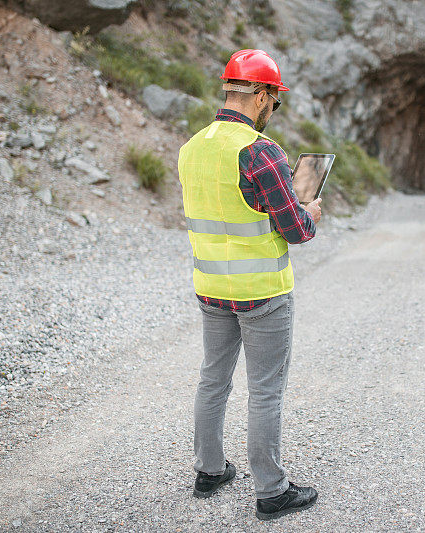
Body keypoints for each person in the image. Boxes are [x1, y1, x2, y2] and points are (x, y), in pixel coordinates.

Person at [177, 49, 322, 521]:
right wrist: (311, 212)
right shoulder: (261, 152)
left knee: (212, 379)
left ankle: (209, 470)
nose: (271, 111)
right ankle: (271, 491)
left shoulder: (192, 147)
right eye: (273, 102)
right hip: (262, 294)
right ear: (260, 94)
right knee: (264, 390)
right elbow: (294, 228)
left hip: (211, 289)